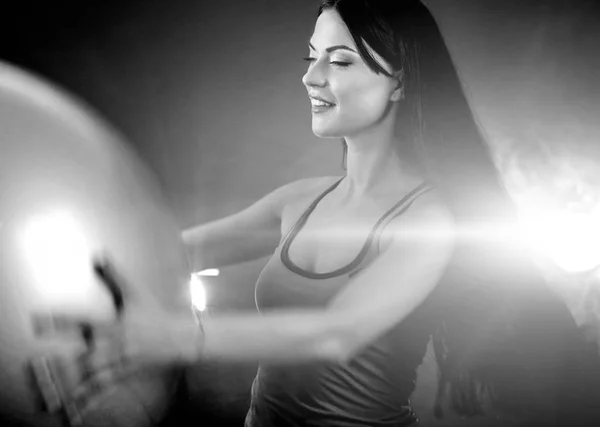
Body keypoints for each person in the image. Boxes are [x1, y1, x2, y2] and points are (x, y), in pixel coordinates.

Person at [71, 1, 600, 426]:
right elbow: (169, 253)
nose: (311, 77)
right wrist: (82, 264)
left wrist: (173, 337)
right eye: (312, 57)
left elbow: (338, 333)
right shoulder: (300, 200)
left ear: (399, 81)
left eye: (340, 60)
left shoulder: (428, 220)